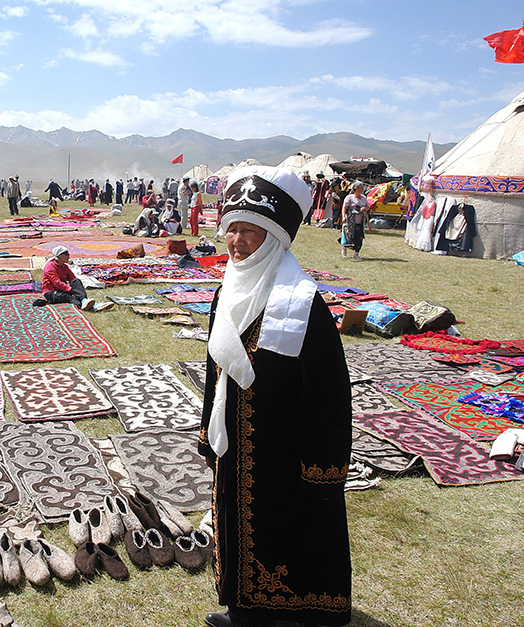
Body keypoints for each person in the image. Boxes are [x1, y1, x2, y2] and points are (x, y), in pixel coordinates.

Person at [199, 165, 352, 627]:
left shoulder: (304, 303)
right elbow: (217, 368)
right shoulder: (227, 290)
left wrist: (322, 463)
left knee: (287, 525)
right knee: (239, 520)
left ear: (275, 238)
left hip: (286, 446)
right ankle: (243, 606)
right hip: (239, 440)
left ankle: (300, 610)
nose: (237, 240)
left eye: (251, 231)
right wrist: (209, 426)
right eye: (232, 229)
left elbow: (328, 391)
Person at [42, 245, 95, 310]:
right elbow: (56, 282)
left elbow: (72, 279)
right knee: (69, 297)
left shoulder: (65, 267)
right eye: (66, 254)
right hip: (51, 292)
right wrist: (70, 290)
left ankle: (84, 300)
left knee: (76, 281)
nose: (68, 256)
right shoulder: (50, 266)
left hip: (61, 290)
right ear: (59, 255)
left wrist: (76, 289)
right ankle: (87, 306)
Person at [341, 181, 368, 259]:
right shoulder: (349, 197)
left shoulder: (363, 198)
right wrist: (343, 217)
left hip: (360, 221)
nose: (363, 189)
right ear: (356, 188)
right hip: (351, 220)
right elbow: (344, 208)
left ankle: (356, 253)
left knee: (359, 237)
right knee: (349, 236)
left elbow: (368, 206)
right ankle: (344, 248)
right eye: (361, 188)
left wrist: (364, 208)